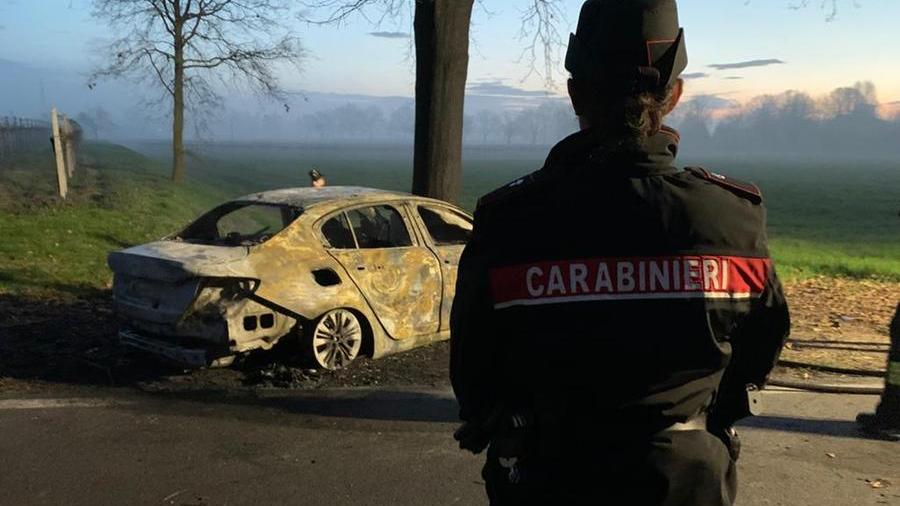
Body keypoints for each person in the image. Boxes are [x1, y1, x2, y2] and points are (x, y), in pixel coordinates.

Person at [449, 1, 791, 505]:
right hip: (687, 480)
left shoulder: (511, 219)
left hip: (547, 478)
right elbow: (762, 342)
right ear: (673, 96)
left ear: (574, 93)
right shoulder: (733, 218)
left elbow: (474, 374)